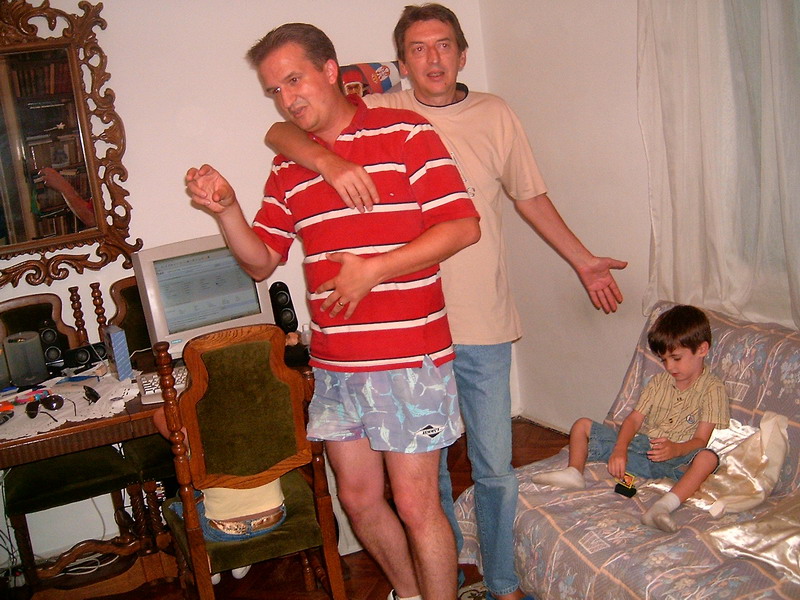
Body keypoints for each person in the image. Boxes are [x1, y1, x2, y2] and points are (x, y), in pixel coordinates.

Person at [265, 4, 627, 599]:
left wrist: (582, 259)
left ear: (462, 53)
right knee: (423, 486)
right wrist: (327, 160)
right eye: (417, 48)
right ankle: (445, 583)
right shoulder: (385, 109)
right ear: (401, 63)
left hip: (480, 316)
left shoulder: (494, 112)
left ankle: (502, 584)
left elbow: (530, 198)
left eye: (442, 45)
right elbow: (282, 129)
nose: (432, 58)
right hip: (406, 330)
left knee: (493, 467)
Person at [185, 22, 481, 600]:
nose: (287, 99)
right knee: (358, 500)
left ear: (329, 70)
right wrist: (227, 211)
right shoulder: (289, 168)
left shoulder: (405, 133)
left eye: (295, 80)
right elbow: (261, 262)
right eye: (275, 90)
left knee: (417, 504)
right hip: (337, 366)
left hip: (408, 358)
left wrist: (375, 269)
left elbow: (463, 226)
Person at [532, 304, 730, 532]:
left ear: (702, 349)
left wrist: (676, 449)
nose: (669, 366)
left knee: (708, 458)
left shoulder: (713, 389)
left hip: (678, 461)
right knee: (582, 425)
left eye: (676, 358)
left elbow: (700, 440)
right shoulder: (658, 383)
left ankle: (662, 507)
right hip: (641, 449)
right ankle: (574, 472)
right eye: (664, 360)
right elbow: (634, 420)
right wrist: (620, 449)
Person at [151, 408, 285, 585]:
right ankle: (241, 557)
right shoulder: (267, 417)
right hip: (274, 518)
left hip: (220, 530)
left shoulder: (190, 434)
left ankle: (210, 562)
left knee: (180, 503)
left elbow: (159, 416)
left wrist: (180, 399)